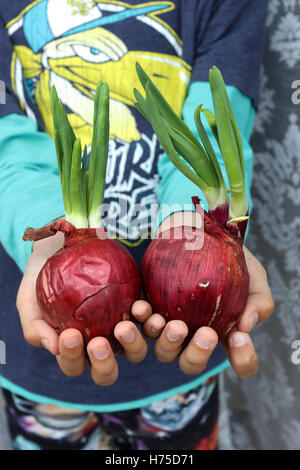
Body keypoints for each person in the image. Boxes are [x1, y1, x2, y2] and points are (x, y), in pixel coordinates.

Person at [0, 0, 274, 450]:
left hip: (183, 346)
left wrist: (195, 224)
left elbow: (216, 123)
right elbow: (8, 149)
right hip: (42, 355)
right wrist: (49, 236)